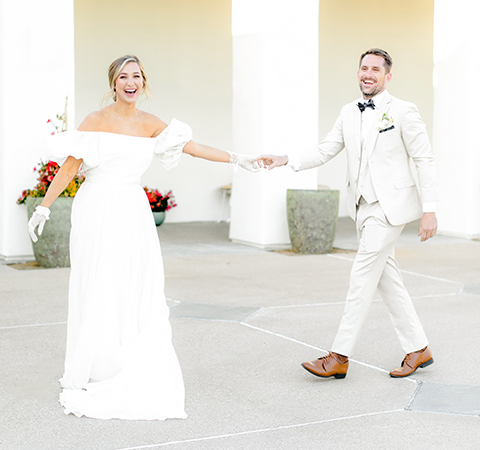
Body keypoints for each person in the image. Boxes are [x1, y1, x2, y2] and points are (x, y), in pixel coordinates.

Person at [28, 54, 260, 420]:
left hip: (132, 210)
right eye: (123, 76)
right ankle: (97, 365)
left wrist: (238, 158)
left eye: (136, 75)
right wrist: (44, 206)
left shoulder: (152, 124)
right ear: (114, 83)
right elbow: (71, 164)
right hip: (97, 206)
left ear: (144, 82)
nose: (130, 82)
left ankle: (124, 358)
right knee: (98, 280)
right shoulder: (95, 121)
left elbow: (193, 148)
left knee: (135, 284)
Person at [257, 48, 437, 380]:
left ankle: (338, 356)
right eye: (363, 68)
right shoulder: (348, 112)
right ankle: (418, 348)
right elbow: (326, 150)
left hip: (390, 208)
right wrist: (287, 159)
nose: (368, 74)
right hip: (362, 207)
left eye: (375, 69)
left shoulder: (403, 111)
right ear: (358, 73)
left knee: (362, 277)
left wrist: (430, 210)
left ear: (387, 76)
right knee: (387, 278)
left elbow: (424, 159)